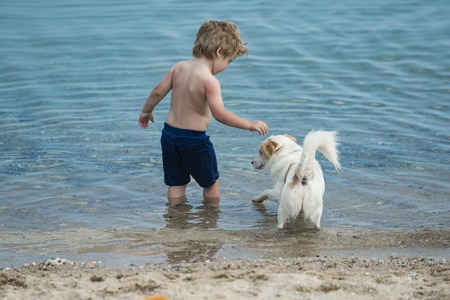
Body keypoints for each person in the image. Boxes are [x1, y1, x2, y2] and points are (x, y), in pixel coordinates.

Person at [138, 20, 269, 207]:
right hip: (194, 141)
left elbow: (158, 91)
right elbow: (220, 114)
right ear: (219, 52)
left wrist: (146, 111)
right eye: (229, 61)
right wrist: (248, 124)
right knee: (211, 183)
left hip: (169, 136)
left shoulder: (179, 67)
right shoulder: (210, 81)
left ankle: (175, 217)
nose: (226, 66)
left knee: (176, 182)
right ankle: (211, 218)